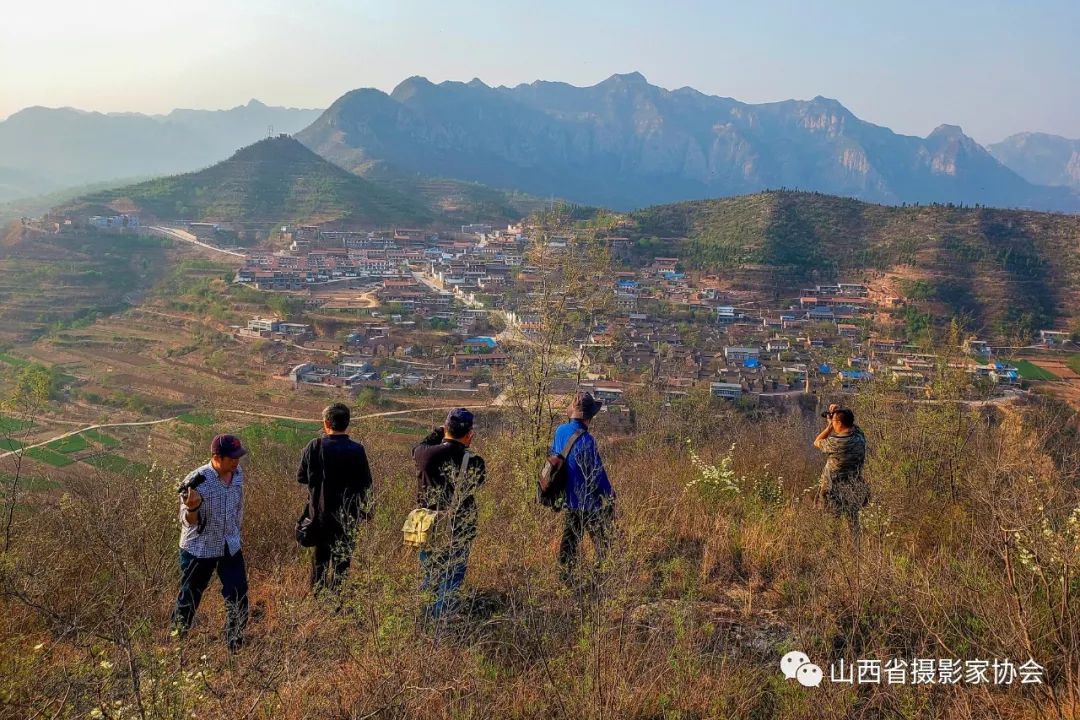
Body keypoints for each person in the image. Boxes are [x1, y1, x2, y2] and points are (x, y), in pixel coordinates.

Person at [171, 434, 249, 651]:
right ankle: (177, 640)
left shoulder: (238, 474)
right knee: (190, 594)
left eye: (238, 457)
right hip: (199, 548)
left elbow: (238, 505)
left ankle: (235, 642)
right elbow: (187, 522)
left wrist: (236, 530)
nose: (236, 462)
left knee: (238, 591)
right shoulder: (197, 481)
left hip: (229, 544)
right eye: (232, 458)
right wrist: (192, 508)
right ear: (217, 457)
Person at [412, 408, 486, 620]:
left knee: (430, 573)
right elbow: (477, 484)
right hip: (459, 526)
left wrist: (439, 433)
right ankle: (443, 620)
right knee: (452, 576)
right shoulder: (474, 462)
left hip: (429, 526)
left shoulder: (425, 454)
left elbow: (416, 448)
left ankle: (424, 617)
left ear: (446, 429)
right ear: (469, 434)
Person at [297, 403, 374, 593]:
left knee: (320, 563)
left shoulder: (315, 446)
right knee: (342, 564)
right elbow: (366, 484)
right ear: (347, 423)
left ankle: (319, 605)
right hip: (348, 518)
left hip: (320, 517)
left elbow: (301, 477)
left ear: (326, 423)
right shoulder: (357, 450)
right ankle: (337, 603)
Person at [552, 392, 615, 586]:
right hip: (589, 502)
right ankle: (601, 579)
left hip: (569, 498)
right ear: (589, 417)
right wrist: (610, 496)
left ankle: (565, 578)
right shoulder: (588, 441)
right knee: (603, 542)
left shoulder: (560, 432)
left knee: (569, 541)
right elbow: (597, 474)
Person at [813, 404, 869, 538]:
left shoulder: (836, 442)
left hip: (833, 489)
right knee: (853, 522)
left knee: (832, 522)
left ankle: (833, 551)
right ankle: (855, 550)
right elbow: (852, 425)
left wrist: (829, 427)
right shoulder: (859, 437)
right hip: (853, 486)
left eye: (834, 421)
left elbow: (817, 442)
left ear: (838, 423)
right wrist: (839, 414)